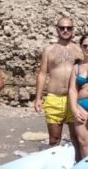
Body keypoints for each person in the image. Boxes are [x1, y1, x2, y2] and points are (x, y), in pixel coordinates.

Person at [34, 16, 82, 157]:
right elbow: (42, 74)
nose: (65, 30)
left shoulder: (79, 50)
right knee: (54, 139)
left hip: (73, 99)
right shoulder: (49, 50)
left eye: (69, 28)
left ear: (73, 30)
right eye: (62, 28)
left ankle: (78, 165)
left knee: (77, 138)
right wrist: (38, 98)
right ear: (57, 29)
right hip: (54, 97)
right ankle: (52, 167)